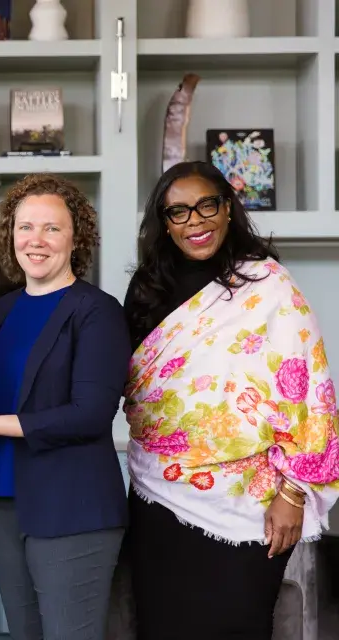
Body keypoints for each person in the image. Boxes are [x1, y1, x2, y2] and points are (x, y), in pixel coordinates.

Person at [122, 161, 339, 640]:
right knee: (162, 625)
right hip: (158, 491)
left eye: (206, 206)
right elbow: (134, 387)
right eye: (177, 212)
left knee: (236, 624)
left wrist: (292, 493)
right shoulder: (146, 289)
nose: (194, 221)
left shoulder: (269, 285)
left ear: (227, 208)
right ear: (164, 222)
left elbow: (309, 392)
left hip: (253, 499)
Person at [0, 173, 131, 639]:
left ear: (76, 237)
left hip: (71, 505)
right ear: (11, 235)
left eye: (52, 228)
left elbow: (90, 413)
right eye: (25, 227)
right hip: (4, 499)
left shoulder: (96, 311)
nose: (36, 240)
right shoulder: (1, 311)